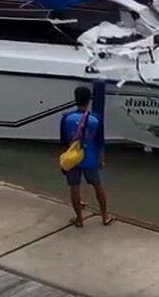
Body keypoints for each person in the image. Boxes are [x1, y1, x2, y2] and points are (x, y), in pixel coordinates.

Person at [59, 85, 112, 227]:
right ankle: (105, 216)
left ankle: (79, 219)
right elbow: (100, 142)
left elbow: (64, 141)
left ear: (75, 99)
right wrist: (101, 160)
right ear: (89, 100)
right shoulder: (96, 119)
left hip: (73, 158)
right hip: (90, 158)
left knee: (74, 188)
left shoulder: (66, 118)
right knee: (98, 186)